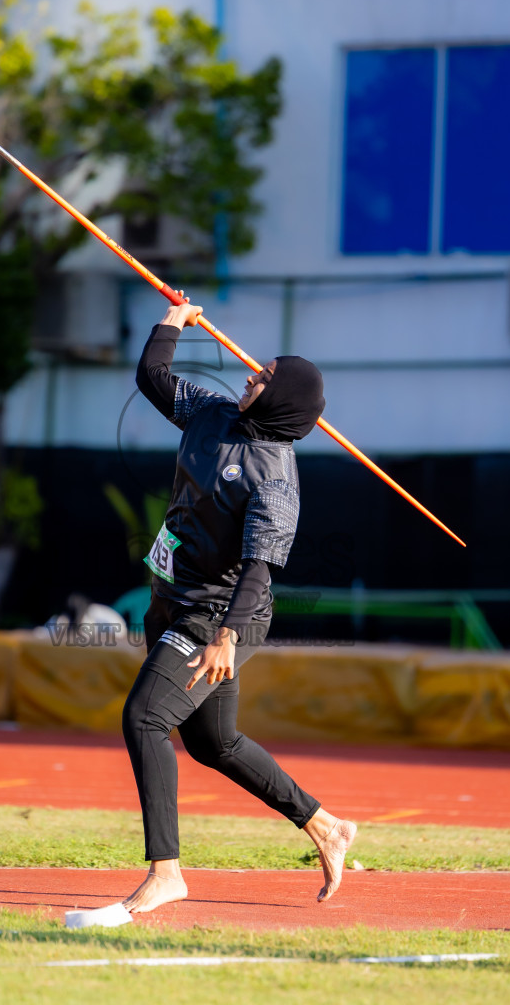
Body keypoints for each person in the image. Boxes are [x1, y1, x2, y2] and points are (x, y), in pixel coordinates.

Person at [121, 293, 356, 914]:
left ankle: (166, 871)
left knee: (146, 718)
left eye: (267, 376)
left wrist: (225, 635)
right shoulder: (213, 413)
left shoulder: (275, 477)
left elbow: (259, 566)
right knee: (212, 742)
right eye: (261, 368)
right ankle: (326, 826)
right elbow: (153, 379)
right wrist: (173, 322)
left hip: (222, 616)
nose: (252, 372)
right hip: (169, 597)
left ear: (283, 401)